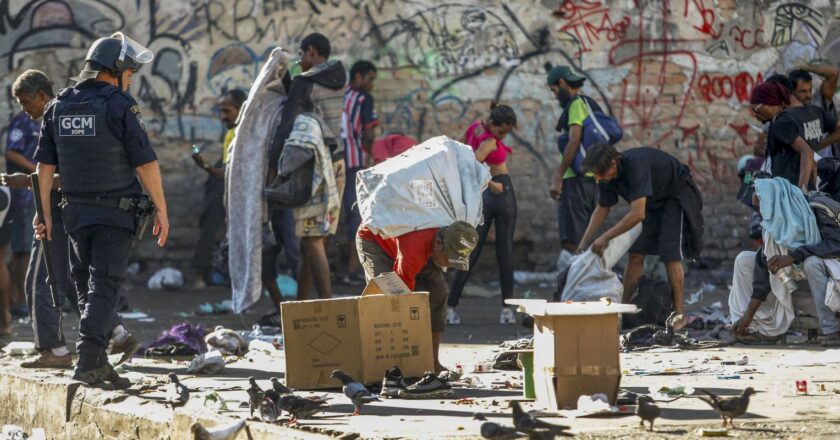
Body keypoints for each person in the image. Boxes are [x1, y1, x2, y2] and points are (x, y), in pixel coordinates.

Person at [33, 33, 168, 385]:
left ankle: (95, 359)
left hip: (74, 213)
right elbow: (146, 164)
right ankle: (89, 360)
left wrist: (44, 213)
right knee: (104, 287)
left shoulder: (58, 105)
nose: (130, 80)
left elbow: (44, 168)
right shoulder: (120, 105)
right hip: (113, 214)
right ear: (117, 70)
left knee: (86, 286)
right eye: (130, 73)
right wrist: (161, 209)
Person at [577, 144, 704, 330]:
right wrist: (583, 244)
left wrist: (605, 237)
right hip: (652, 203)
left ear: (614, 163)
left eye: (600, 173)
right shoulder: (605, 177)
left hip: (676, 195)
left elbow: (637, 214)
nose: (597, 178)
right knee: (636, 254)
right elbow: (602, 209)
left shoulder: (637, 165)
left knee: (670, 255)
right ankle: (621, 310)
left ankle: (679, 315)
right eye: (594, 174)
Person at [268, 32, 347, 300]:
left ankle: (328, 307)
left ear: (311, 51)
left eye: (301, 55)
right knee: (313, 242)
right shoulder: (338, 77)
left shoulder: (305, 81)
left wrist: (273, 170)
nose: (300, 61)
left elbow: (286, 124)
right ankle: (302, 306)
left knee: (312, 240)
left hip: (314, 169)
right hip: (338, 165)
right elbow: (310, 104)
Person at [357, 221, 478, 378]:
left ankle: (432, 362)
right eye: (449, 259)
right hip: (375, 240)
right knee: (385, 302)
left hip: (414, 245)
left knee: (439, 292)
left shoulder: (444, 232)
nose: (450, 265)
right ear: (439, 243)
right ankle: (387, 368)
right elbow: (402, 299)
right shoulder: (413, 251)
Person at [730, 178, 840, 346]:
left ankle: (832, 331)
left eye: (758, 208)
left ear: (773, 201)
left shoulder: (818, 207)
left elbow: (835, 244)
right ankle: (757, 326)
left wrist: (795, 256)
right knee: (744, 260)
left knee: (811, 262)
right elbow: (763, 268)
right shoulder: (775, 224)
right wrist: (748, 314)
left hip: (832, 278)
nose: (757, 213)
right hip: (802, 288)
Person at [447, 103, 518, 325]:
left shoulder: (476, 128)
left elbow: (458, 146)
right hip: (499, 192)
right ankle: (506, 310)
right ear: (493, 124)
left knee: (470, 250)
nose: (502, 137)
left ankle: (450, 307)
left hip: (482, 195)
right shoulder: (489, 141)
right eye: (501, 131)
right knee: (504, 252)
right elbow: (471, 163)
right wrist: (492, 183)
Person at [4, 70, 49, 320]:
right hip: (22, 196)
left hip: (36, 192)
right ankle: (18, 300)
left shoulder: (46, 119)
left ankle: (23, 299)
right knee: (21, 251)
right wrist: (39, 172)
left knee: (31, 250)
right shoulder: (23, 121)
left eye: (26, 102)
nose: (25, 107)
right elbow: (12, 152)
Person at [191, 89, 247, 288]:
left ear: (241, 110)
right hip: (225, 185)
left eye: (227, 111)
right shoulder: (232, 133)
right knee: (211, 226)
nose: (223, 117)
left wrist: (206, 166)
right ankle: (202, 273)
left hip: (234, 187)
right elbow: (227, 172)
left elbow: (229, 174)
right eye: (221, 111)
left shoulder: (244, 135)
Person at [546, 65, 599, 254]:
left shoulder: (576, 104)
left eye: (554, 90)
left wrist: (558, 176)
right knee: (584, 237)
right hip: (590, 179)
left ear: (561, 83)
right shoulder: (589, 103)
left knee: (573, 241)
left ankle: (582, 281)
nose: (555, 95)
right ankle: (587, 279)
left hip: (576, 180)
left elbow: (574, 140)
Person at [750, 81, 839, 191]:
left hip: (792, 189)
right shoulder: (782, 120)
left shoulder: (781, 123)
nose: (754, 113)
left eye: (756, 108)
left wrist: (801, 191)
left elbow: (807, 152)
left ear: (771, 104)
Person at [340, 60, 379, 285]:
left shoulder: (340, 96)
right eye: (370, 79)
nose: (372, 84)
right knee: (357, 215)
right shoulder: (364, 99)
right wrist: (367, 157)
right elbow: (370, 133)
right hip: (355, 164)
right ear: (359, 77)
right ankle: (354, 270)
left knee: (336, 217)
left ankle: (336, 269)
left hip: (335, 163)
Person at [790, 64, 839, 156]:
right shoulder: (784, 114)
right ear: (791, 91)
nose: (809, 95)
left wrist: (806, 68)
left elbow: (834, 73)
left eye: (810, 90)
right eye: (803, 91)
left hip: (828, 165)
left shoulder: (818, 102)